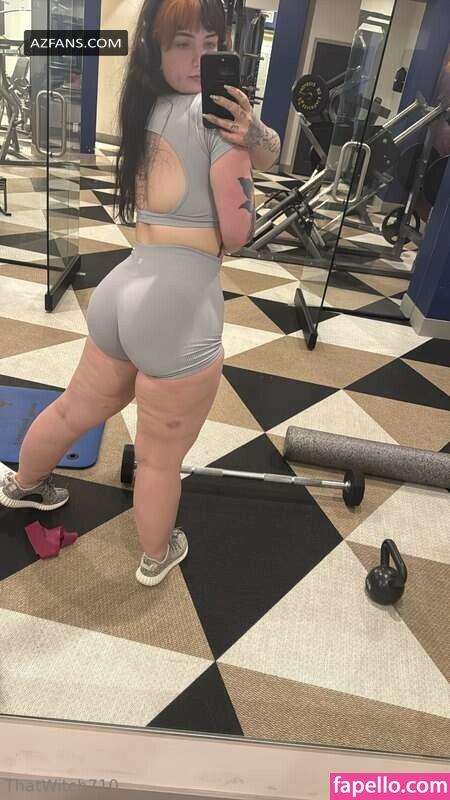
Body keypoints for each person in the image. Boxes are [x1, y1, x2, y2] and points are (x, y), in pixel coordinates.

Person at [0, 0, 281, 586]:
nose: (200, 57)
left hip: (124, 287)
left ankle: (23, 485)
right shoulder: (217, 124)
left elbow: (262, 147)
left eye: (211, 43)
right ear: (157, 46)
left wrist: (252, 135)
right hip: (180, 309)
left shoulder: (143, 105)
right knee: (158, 458)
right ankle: (157, 553)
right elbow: (238, 233)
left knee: (74, 408)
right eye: (184, 43)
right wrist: (244, 146)